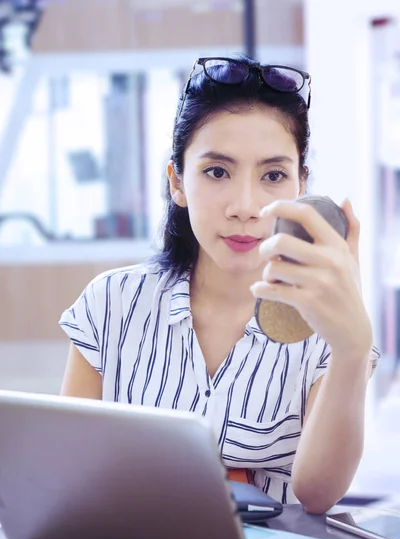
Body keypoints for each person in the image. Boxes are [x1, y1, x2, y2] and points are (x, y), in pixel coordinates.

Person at [59, 56, 378, 514]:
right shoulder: (110, 303)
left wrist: (352, 347)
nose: (245, 206)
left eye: (272, 175)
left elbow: (318, 493)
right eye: (216, 171)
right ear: (178, 182)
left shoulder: (328, 322)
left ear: (301, 186)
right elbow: (67, 470)